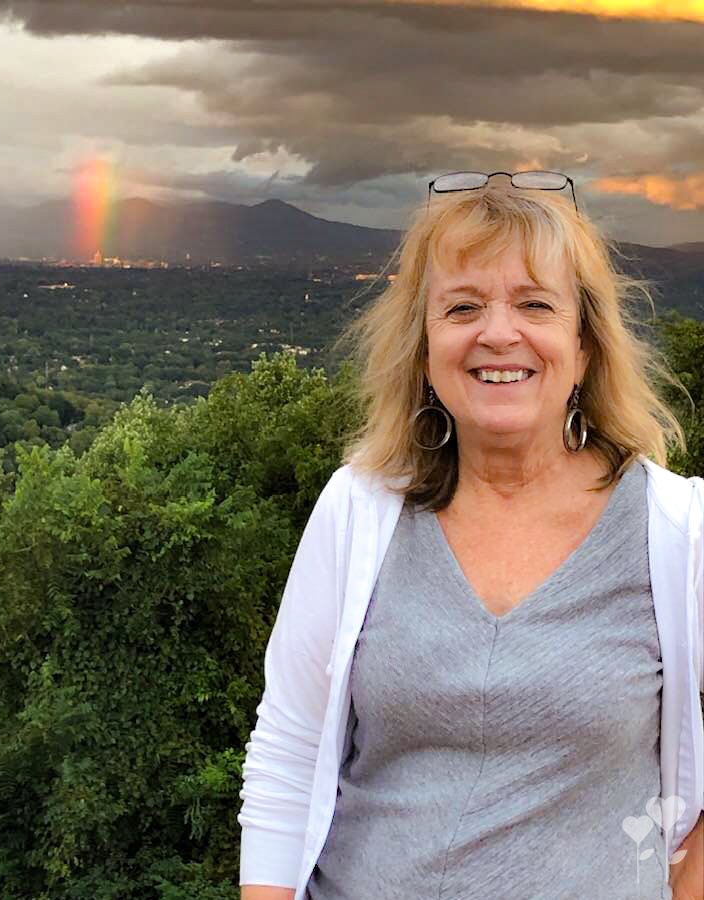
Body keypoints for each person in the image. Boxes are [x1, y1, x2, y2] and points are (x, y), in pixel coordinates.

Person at [238, 173, 704, 900]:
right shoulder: (357, 511)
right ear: (426, 352)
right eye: (461, 307)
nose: (497, 332)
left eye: (534, 304)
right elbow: (289, 749)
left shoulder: (678, 532)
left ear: (583, 346)